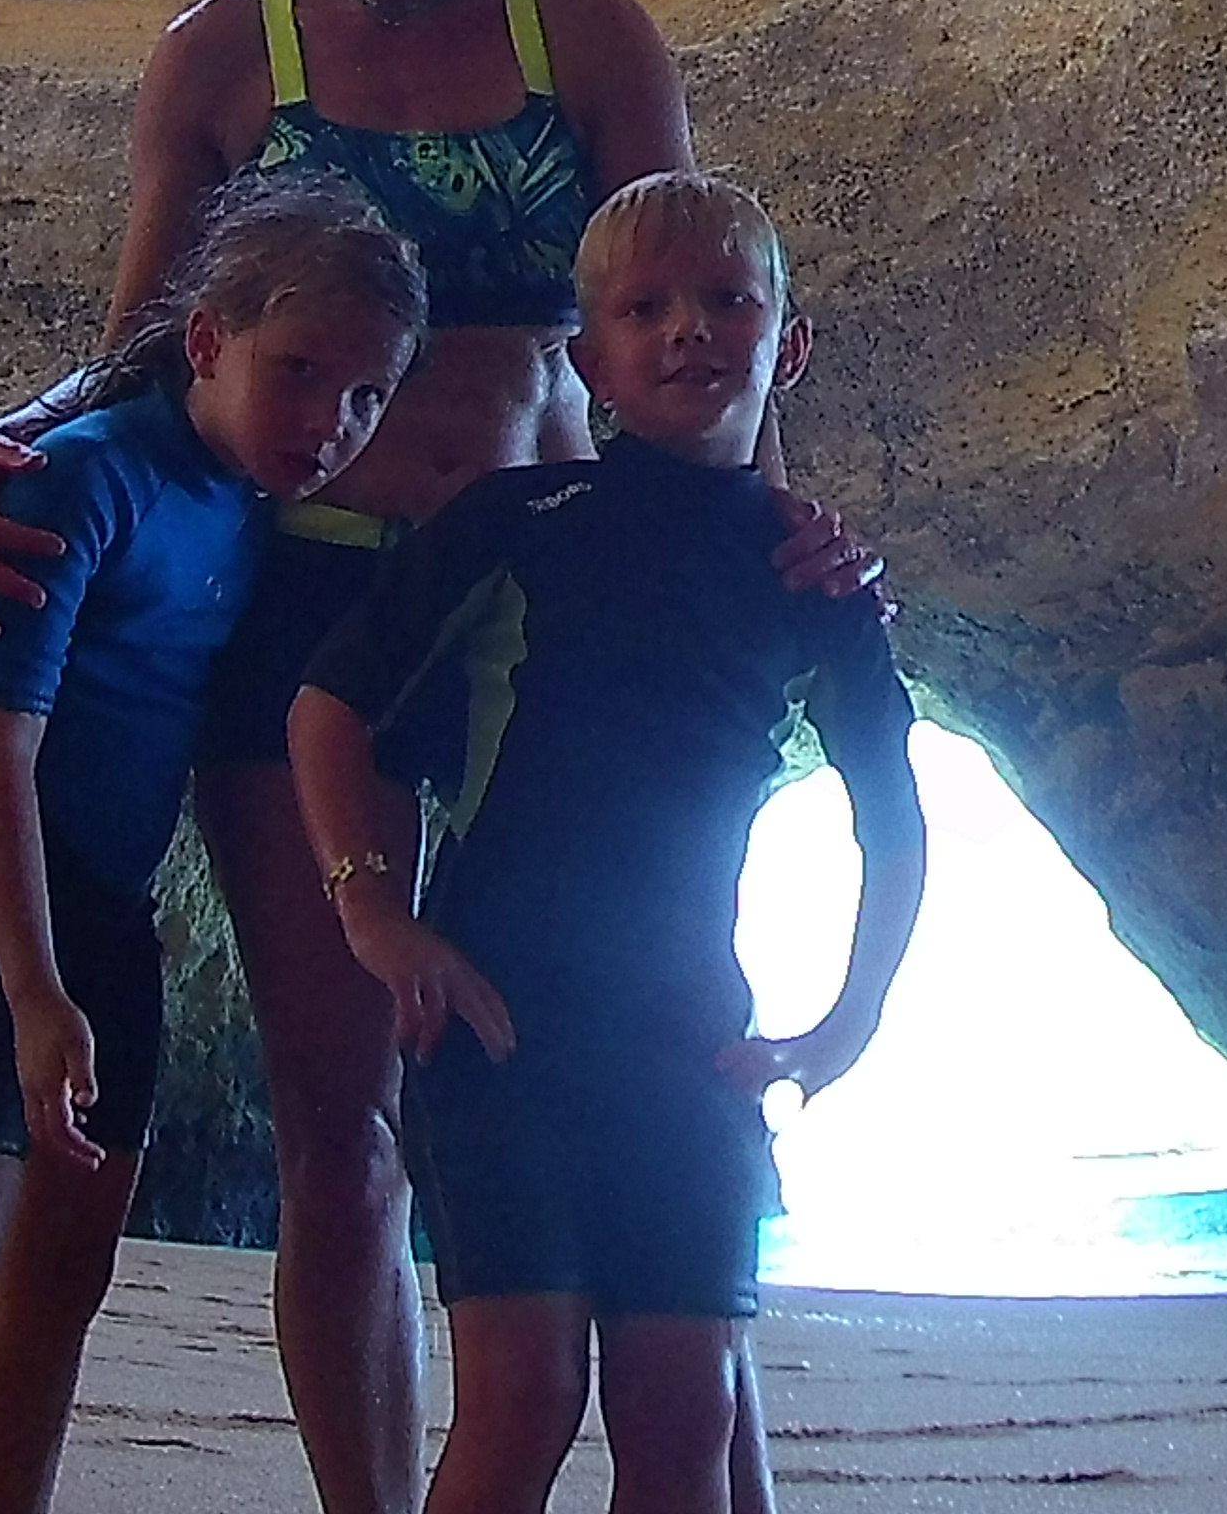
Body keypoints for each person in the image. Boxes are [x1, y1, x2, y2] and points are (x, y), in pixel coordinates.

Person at [0, 0, 875, 1514]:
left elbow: (685, 330)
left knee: (654, 1045)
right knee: (344, 1119)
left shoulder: (586, 41)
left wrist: (774, 563)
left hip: (554, 618)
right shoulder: (224, 54)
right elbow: (143, 351)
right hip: (306, 606)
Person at [291, 173, 930, 1514]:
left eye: (728, 300)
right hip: (498, 1029)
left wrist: (849, 1019)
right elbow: (328, 708)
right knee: (521, 1397)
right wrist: (373, 914)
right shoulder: (513, 523)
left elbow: (892, 812)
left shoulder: (809, 574)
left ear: (788, 345)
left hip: (690, 1042)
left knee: (685, 1413)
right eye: (645, 310)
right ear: (589, 361)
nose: (688, 329)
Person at [0, 170, 428, 1514]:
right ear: (209, 340)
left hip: (104, 915)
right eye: (299, 372)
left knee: (63, 1277)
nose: (328, 421)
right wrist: (33, 987)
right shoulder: (85, 478)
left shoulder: (245, 503)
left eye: (365, 396)